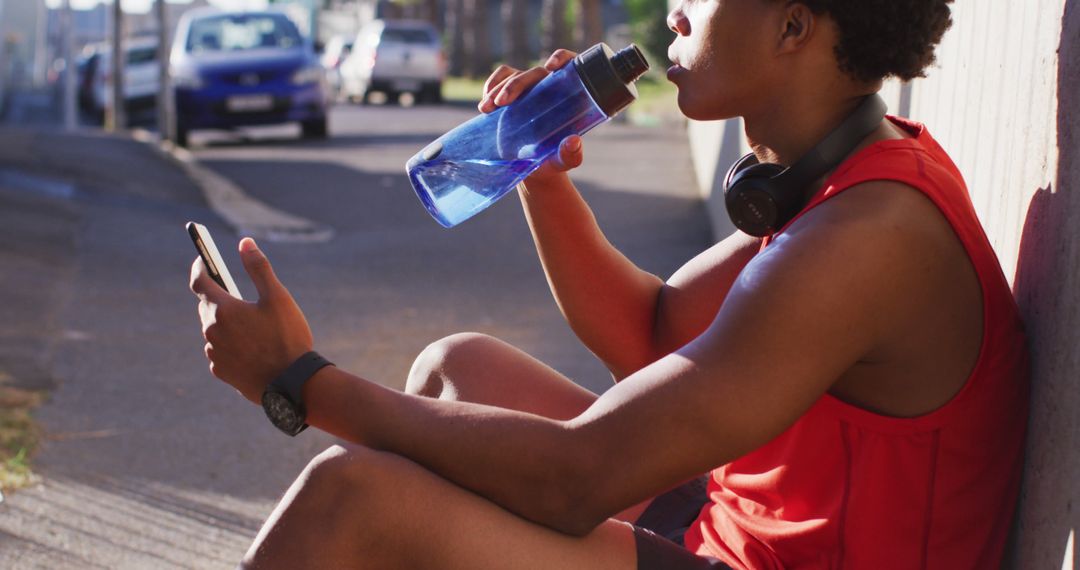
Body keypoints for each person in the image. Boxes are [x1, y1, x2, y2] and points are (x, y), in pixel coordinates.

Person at [189, 0, 1030, 568]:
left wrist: (297, 380)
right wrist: (544, 179)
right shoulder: (836, 181)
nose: (673, 8)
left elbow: (577, 479)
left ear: (793, 28)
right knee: (459, 368)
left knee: (353, 498)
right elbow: (654, 336)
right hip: (728, 533)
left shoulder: (867, 235)